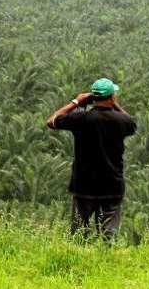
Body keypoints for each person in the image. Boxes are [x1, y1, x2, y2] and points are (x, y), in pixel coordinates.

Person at [46, 78, 136, 241]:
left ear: (93, 98)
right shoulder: (121, 121)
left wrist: (76, 101)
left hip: (83, 186)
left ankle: (76, 262)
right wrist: (113, 104)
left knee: (78, 235)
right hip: (111, 186)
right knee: (109, 236)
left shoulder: (80, 119)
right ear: (111, 97)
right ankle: (107, 262)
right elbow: (130, 122)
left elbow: (52, 121)